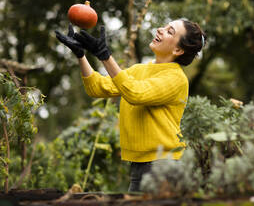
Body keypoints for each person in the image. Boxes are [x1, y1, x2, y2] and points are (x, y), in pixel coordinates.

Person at [55, 19, 206, 193]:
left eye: (170, 31)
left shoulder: (176, 79)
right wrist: (81, 56)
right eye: (164, 26)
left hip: (164, 166)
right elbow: (97, 87)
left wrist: (105, 55)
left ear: (178, 49)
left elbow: (136, 93)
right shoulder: (139, 70)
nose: (160, 30)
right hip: (141, 165)